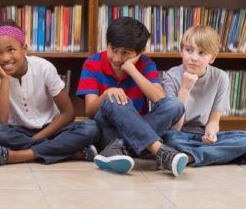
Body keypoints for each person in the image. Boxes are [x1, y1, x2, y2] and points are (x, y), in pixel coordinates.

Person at [76, 17, 188, 177]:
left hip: (138, 129)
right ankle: (160, 152)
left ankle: (118, 150)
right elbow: (90, 111)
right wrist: (107, 94)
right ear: (107, 44)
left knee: (175, 105)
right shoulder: (91, 64)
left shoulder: (146, 64)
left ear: (139, 53)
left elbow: (160, 100)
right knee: (113, 98)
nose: (117, 58)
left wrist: (131, 69)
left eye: (125, 53)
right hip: (108, 132)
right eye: (113, 49)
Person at [0, 21, 100, 166]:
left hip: (53, 128)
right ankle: (70, 151)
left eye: (11, 50)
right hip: (18, 132)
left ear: (24, 49)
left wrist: (37, 138)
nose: (5, 58)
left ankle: (22, 155)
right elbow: (1, 121)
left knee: (91, 128)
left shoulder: (44, 68)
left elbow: (68, 113)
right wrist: (4, 79)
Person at [162, 25, 246, 166]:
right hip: (178, 135)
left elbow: (214, 121)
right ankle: (217, 155)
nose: (194, 58)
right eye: (189, 50)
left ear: (212, 58)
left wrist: (211, 134)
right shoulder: (171, 76)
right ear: (181, 52)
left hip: (201, 136)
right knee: (167, 139)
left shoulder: (221, 78)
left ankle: (189, 157)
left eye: (202, 53)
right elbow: (175, 127)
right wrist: (185, 89)